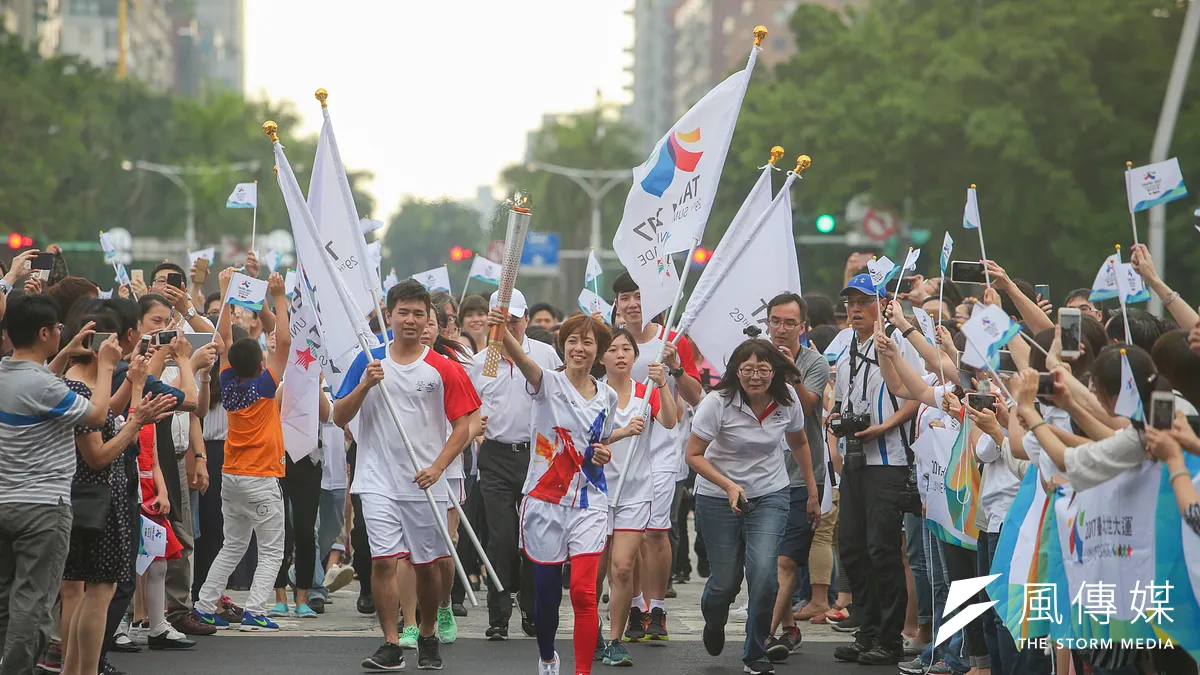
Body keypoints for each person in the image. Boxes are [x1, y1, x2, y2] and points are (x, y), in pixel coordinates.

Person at [333, 279, 481, 672]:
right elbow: (338, 416)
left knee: (428, 566)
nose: (412, 320)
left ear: (428, 319)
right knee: (382, 562)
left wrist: (438, 467)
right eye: (404, 312)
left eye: (420, 313)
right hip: (377, 479)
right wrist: (365, 384)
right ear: (390, 314)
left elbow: (465, 425)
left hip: (423, 483)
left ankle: (428, 632)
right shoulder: (368, 361)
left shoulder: (441, 368)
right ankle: (391, 642)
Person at [488, 309, 642, 675]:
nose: (579, 348)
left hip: (589, 501)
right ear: (563, 346)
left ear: (599, 351)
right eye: (573, 341)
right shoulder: (547, 384)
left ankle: (583, 671)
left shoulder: (606, 396)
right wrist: (502, 329)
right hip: (544, 502)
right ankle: (547, 657)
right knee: (546, 595)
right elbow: (523, 360)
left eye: (588, 343)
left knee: (584, 595)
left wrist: (603, 451)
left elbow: (599, 444)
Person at [0, 294, 123, 675]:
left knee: (6, 600)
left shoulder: (9, 374)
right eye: (56, 328)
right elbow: (97, 414)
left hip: (6, 501)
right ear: (43, 332)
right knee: (33, 605)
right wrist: (106, 368)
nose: (60, 332)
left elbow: (38, 382)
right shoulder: (45, 388)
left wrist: (63, 353)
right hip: (42, 509)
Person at [686, 338, 818, 675]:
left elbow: (799, 442)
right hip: (717, 496)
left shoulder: (787, 402)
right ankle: (714, 622)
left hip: (770, 494)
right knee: (725, 582)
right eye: (747, 370)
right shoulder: (717, 402)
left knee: (764, 575)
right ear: (735, 372)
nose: (755, 376)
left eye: (763, 369)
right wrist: (729, 485)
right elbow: (693, 455)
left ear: (774, 371)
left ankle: (755, 651)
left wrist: (813, 491)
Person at [829, 273, 921, 666]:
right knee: (850, 546)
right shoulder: (847, 345)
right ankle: (866, 632)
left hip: (888, 460)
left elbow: (916, 397)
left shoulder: (898, 343)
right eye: (850, 302)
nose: (854, 309)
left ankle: (890, 637)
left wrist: (883, 427)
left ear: (882, 305)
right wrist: (835, 418)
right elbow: (844, 398)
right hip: (854, 458)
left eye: (862, 301)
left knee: (882, 549)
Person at [192, 268, 291, 631]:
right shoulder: (266, 387)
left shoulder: (227, 380)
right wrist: (279, 297)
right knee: (271, 550)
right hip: (261, 476)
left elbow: (222, 338)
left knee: (232, 545)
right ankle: (256, 611)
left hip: (231, 475)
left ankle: (204, 605)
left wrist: (225, 290)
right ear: (262, 365)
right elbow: (283, 344)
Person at [611, 272, 703, 642]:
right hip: (620, 450)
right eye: (625, 297)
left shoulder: (672, 341)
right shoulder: (609, 342)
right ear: (616, 304)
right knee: (623, 536)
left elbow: (695, 396)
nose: (633, 304)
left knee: (654, 531)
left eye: (639, 296)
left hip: (663, 448)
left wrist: (675, 367)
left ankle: (657, 609)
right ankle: (633, 606)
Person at [467, 288, 562, 641]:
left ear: (525, 320)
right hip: (495, 457)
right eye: (503, 322)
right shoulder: (481, 363)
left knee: (535, 538)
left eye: (516, 320)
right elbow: (469, 412)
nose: (511, 327)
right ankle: (499, 614)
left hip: (538, 458)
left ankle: (532, 606)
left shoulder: (546, 355)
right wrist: (476, 433)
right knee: (501, 538)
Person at [597, 328, 678, 667]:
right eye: (612, 349)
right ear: (601, 357)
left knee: (623, 567)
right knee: (595, 573)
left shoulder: (647, 392)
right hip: (597, 492)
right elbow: (585, 440)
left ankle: (616, 640)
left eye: (626, 349)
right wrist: (620, 433)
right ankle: (595, 634)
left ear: (635, 357)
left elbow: (672, 422)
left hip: (635, 491)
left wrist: (662, 384)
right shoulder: (593, 393)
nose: (619, 355)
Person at [761, 294, 826, 661]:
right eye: (776, 321)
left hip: (803, 477)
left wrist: (790, 373)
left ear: (803, 326)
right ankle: (788, 628)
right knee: (770, 562)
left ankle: (762, 635)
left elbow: (807, 406)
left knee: (786, 562)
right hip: (764, 477)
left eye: (789, 323)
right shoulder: (753, 359)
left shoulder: (815, 362)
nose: (781, 329)